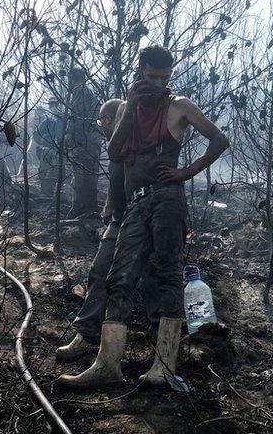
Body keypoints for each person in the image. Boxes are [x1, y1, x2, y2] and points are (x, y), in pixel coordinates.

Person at [58, 45, 229, 389]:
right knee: (118, 278)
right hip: (135, 203)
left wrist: (186, 172)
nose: (158, 84)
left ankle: (163, 366)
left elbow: (219, 140)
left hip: (167, 200)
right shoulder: (125, 107)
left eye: (164, 78)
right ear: (140, 73)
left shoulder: (180, 106)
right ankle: (107, 364)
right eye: (151, 77)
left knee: (167, 277)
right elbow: (114, 150)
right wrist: (132, 105)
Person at [55, 98, 126, 360]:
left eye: (103, 120)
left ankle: (162, 354)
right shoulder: (116, 143)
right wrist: (109, 202)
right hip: (120, 219)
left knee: (139, 282)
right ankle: (86, 335)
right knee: (99, 272)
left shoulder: (133, 139)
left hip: (139, 220)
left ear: (111, 119)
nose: (102, 126)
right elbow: (117, 179)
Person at [66, 69, 103, 219]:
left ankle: (84, 210)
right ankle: (86, 209)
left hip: (85, 143)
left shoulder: (81, 93)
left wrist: (71, 137)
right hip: (89, 142)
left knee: (82, 177)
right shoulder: (85, 92)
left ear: (72, 80)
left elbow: (78, 119)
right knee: (85, 176)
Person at [34, 96, 64, 199]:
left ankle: (58, 195)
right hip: (46, 150)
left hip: (61, 152)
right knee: (43, 172)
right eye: (51, 105)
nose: (53, 107)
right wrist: (42, 142)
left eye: (55, 104)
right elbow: (36, 134)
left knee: (57, 173)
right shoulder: (48, 121)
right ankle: (46, 195)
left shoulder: (66, 119)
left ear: (60, 105)